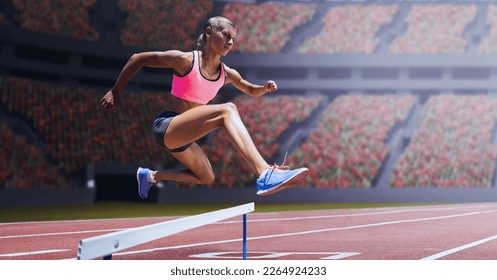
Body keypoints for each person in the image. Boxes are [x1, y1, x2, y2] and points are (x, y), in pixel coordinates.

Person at [100, 16, 308, 198]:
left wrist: (264, 88)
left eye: (233, 39)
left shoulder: (228, 74)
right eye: (226, 35)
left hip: (184, 138)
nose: (230, 41)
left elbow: (251, 90)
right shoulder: (186, 60)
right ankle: (264, 172)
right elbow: (138, 59)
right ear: (209, 33)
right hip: (167, 126)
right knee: (227, 109)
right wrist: (116, 91)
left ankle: (151, 175)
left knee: (206, 176)